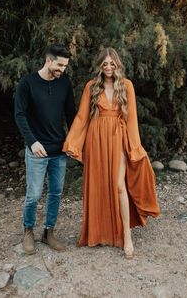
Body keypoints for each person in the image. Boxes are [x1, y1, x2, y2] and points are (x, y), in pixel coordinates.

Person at [63, 47, 160, 259]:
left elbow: (132, 118)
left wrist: (135, 147)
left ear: (117, 64)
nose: (108, 67)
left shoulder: (126, 86)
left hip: (118, 137)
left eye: (111, 63)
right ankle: (98, 233)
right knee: (98, 184)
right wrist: (73, 143)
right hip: (96, 138)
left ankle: (127, 236)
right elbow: (81, 117)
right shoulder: (92, 86)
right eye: (104, 64)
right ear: (99, 66)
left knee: (118, 185)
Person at [14, 44, 75, 254]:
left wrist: (72, 142)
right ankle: (28, 231)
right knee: (34, 194)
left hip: (59, 151)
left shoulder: (64, 84)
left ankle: (48, 232)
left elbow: (71, 115)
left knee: (56, 193)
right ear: (48, 60)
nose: (62, 69)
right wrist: (32, 142)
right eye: (59, 65)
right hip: (37, 150)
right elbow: (20, 115)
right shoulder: (27, 84)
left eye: (65, 66)